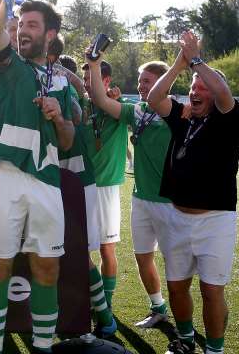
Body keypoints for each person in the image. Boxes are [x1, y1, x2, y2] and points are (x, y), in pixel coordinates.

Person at [0, 0, 75, 354]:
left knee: (47, 268)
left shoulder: (62, 82)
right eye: (21, 24)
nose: (23, 31)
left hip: (48, 180)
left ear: (50, 35)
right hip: (6, 176)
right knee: (0, 266)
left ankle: (42, 347)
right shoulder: (8, 66)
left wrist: (59, 116)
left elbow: (66, 142)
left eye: (32, 25)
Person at [147, 31, 239, 354]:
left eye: (202, 88)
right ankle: (185, 341)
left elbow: (224, 91)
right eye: (192, 88)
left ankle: (214, 350)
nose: (195, 91)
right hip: (177, 217)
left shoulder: (229, 118)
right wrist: (179, 63)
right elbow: (154, 99)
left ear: (214, 94)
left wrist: (198, 61)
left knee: (212, 291)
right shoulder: (184, 118)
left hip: (215, 220)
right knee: (175, 287)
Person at [87, 58, 173, 329]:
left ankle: (184, 331)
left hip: (171, 201)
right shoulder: (138, 111)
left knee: (177, 265)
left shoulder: (178, 112)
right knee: (142, 256)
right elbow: (100, 99)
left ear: (163, 83)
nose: (140, 86)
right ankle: (158, 307)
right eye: (140, 81)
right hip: (141, 196)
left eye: (147, 81)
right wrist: (94, 63)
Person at [55, 54, 117, 338]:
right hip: (55, 181)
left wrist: (63, 74)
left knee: (79, 254)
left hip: (78, 183)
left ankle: (103, 317)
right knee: (55, 254)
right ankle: (83, 315)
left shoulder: (73, 96)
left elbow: (81, 90)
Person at [80, 58, 129, 311]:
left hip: (106, 186)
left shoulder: (117, 105)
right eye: (85, 78)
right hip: (82, 186)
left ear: (106, 80)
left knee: (107, 248)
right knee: (80, 248)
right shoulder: (82, 106)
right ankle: (91, 299)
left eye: (93, 78)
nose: (88, 83)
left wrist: (114, 98)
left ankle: (106, 304)